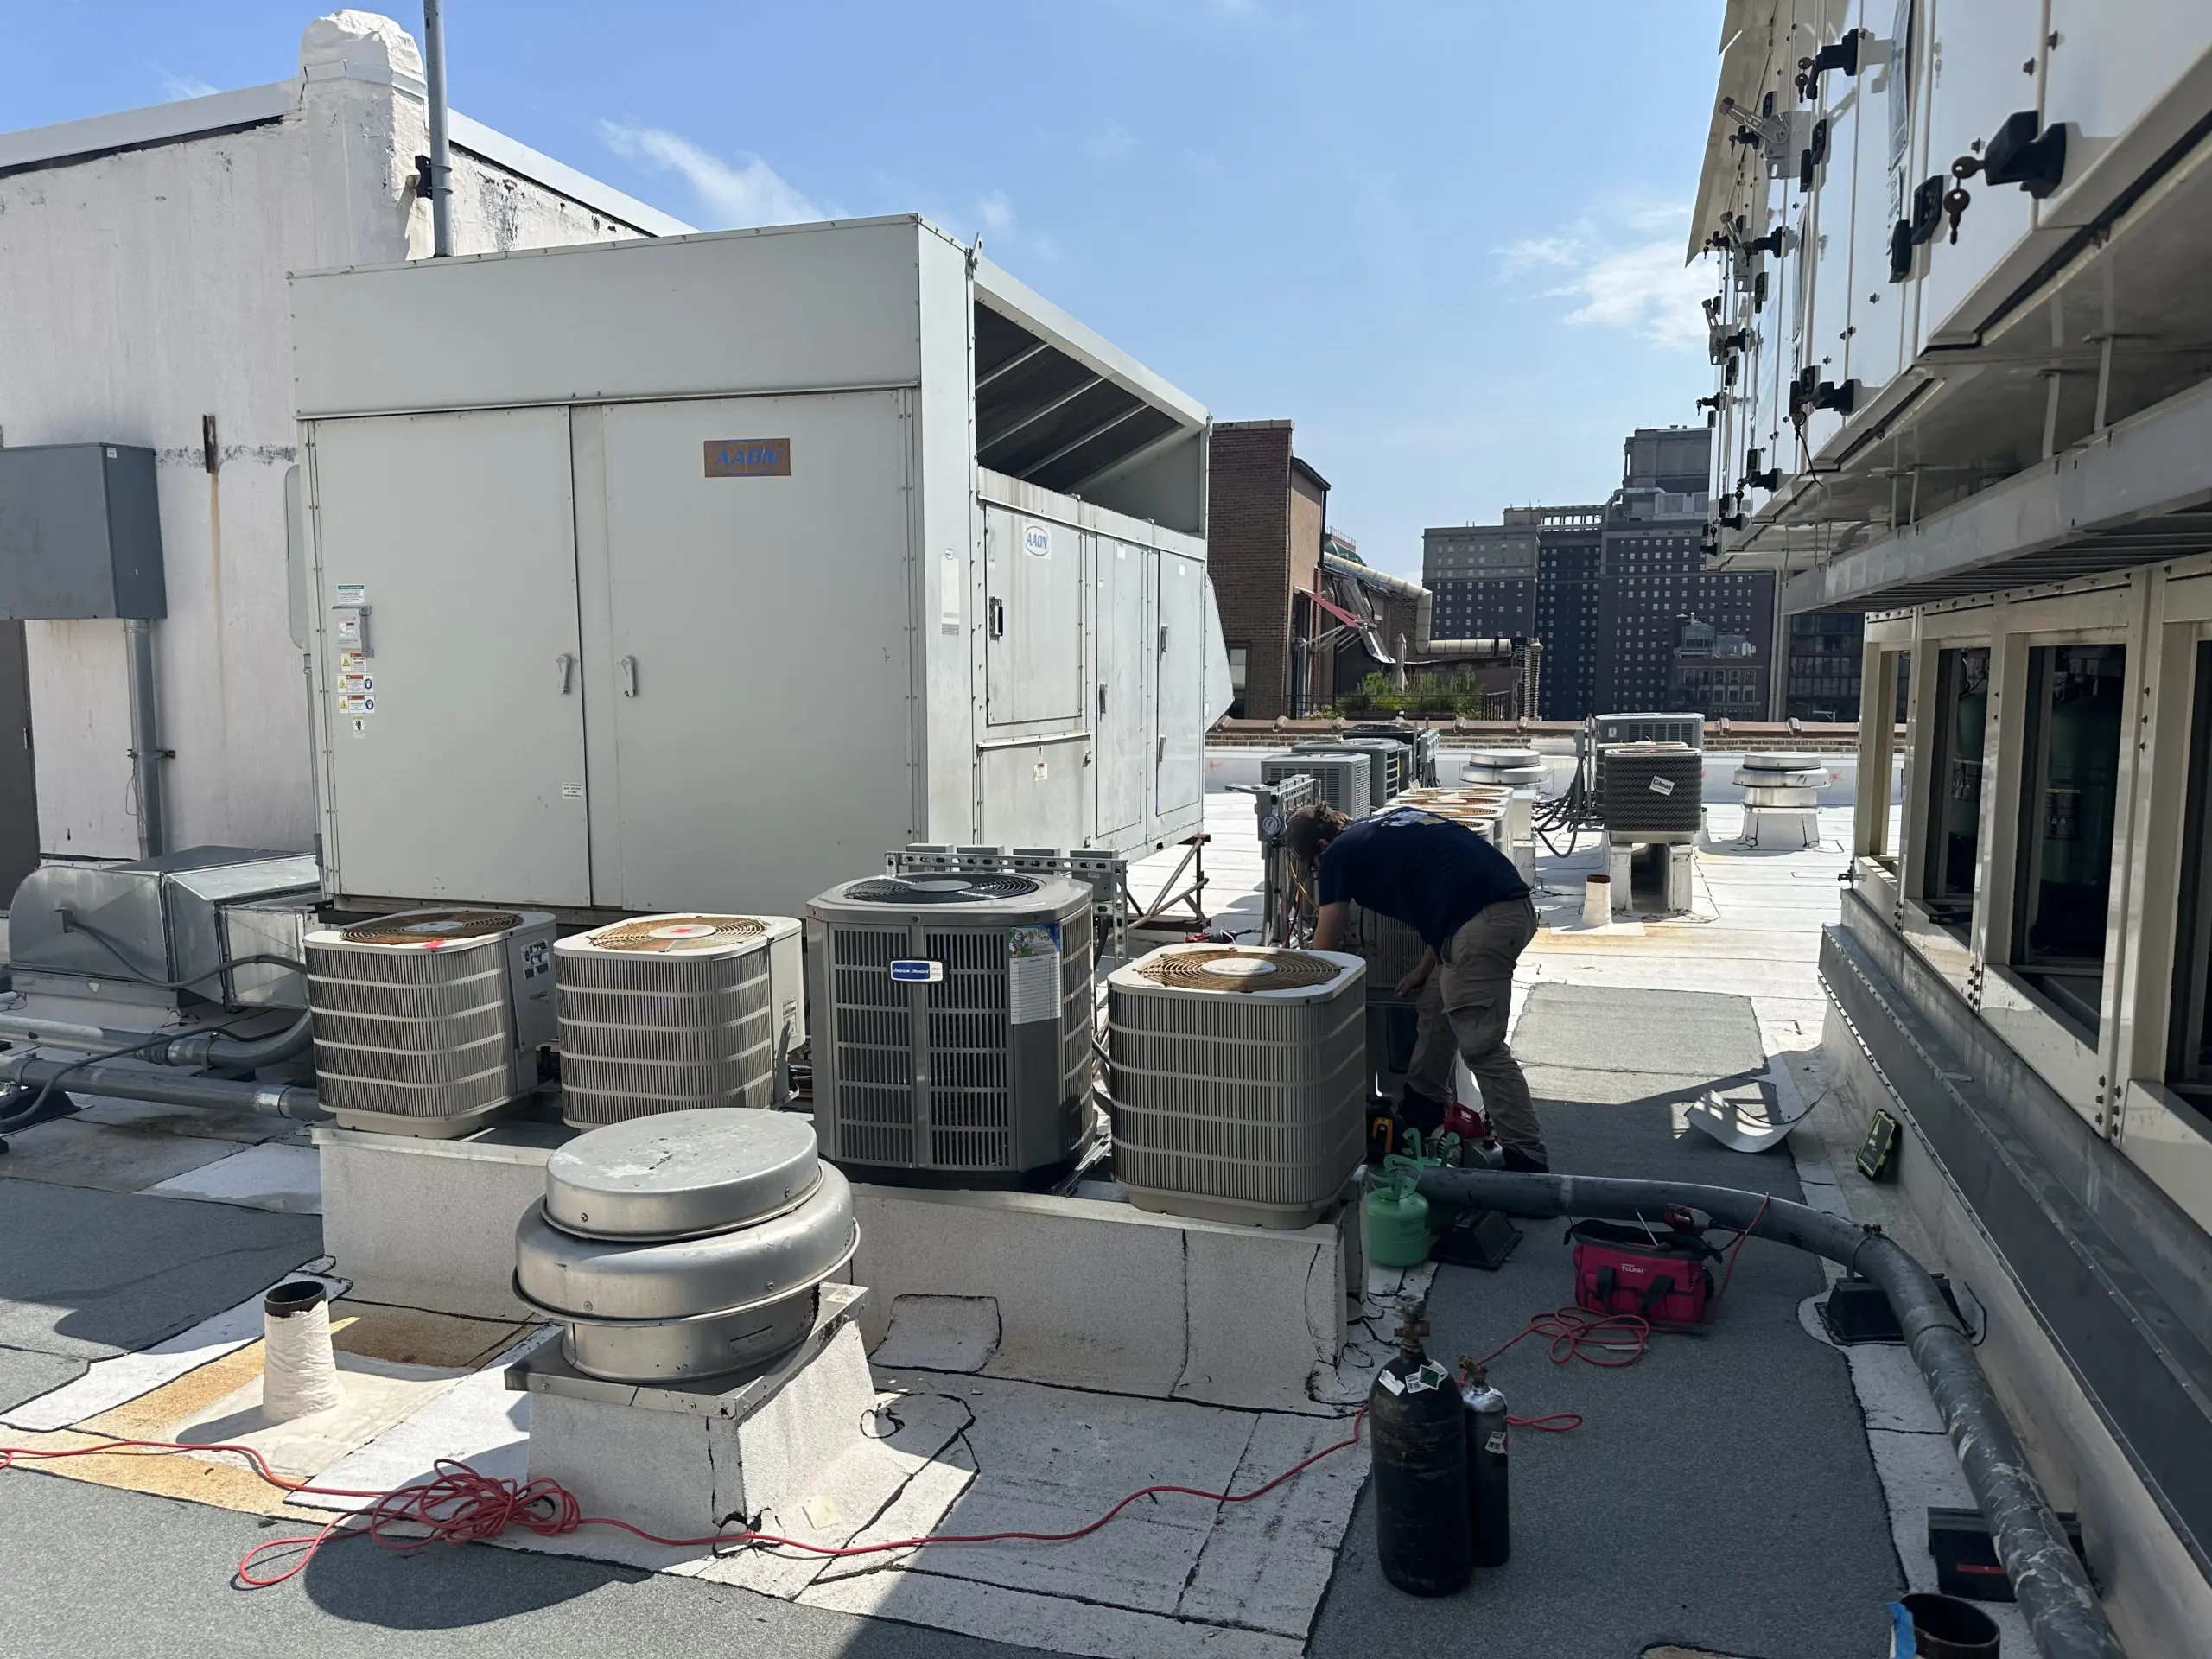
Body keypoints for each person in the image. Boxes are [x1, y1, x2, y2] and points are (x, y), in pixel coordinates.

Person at [1285, 801, 1547, 1172]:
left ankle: (1527, 1159)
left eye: (1313, 865)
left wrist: (1294, 992)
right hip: (1491, 913)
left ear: (1321, 849)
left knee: (1481, 1046)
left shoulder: (1338, 855)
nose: (1317, 871)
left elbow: (1324, 949)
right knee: (1435, 1004)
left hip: (1484, 923)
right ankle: (1422, 1110)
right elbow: (1445, 887)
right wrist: (1426, 967)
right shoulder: (1387, 822)